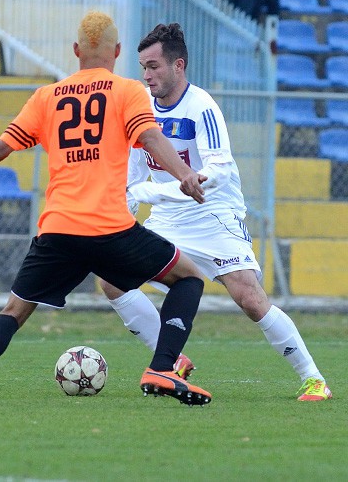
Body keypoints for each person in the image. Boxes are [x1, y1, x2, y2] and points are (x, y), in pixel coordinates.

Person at [0, 11, 214, 408]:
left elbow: (0, 147)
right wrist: (184, 173)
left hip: (58, 230)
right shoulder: (127, 91)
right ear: (117, 51)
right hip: (110, 229)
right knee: (189, 278)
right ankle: (162, 367)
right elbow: (150, 138)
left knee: (13, 312)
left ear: (76, 51)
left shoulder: (47, 97)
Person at [99, 23, 331, 402]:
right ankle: (169, 360)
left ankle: (314, 379)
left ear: (179, 65)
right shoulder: (139, 105)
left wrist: (146, 191)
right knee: (111, 278)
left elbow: (218, 174)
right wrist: (126, 208)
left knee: (250, 299)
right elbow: (134, 172)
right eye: (143, 66)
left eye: (154, 66)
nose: (146, 75)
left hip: (212, 214)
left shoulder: (202, 106)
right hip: (168, 219)